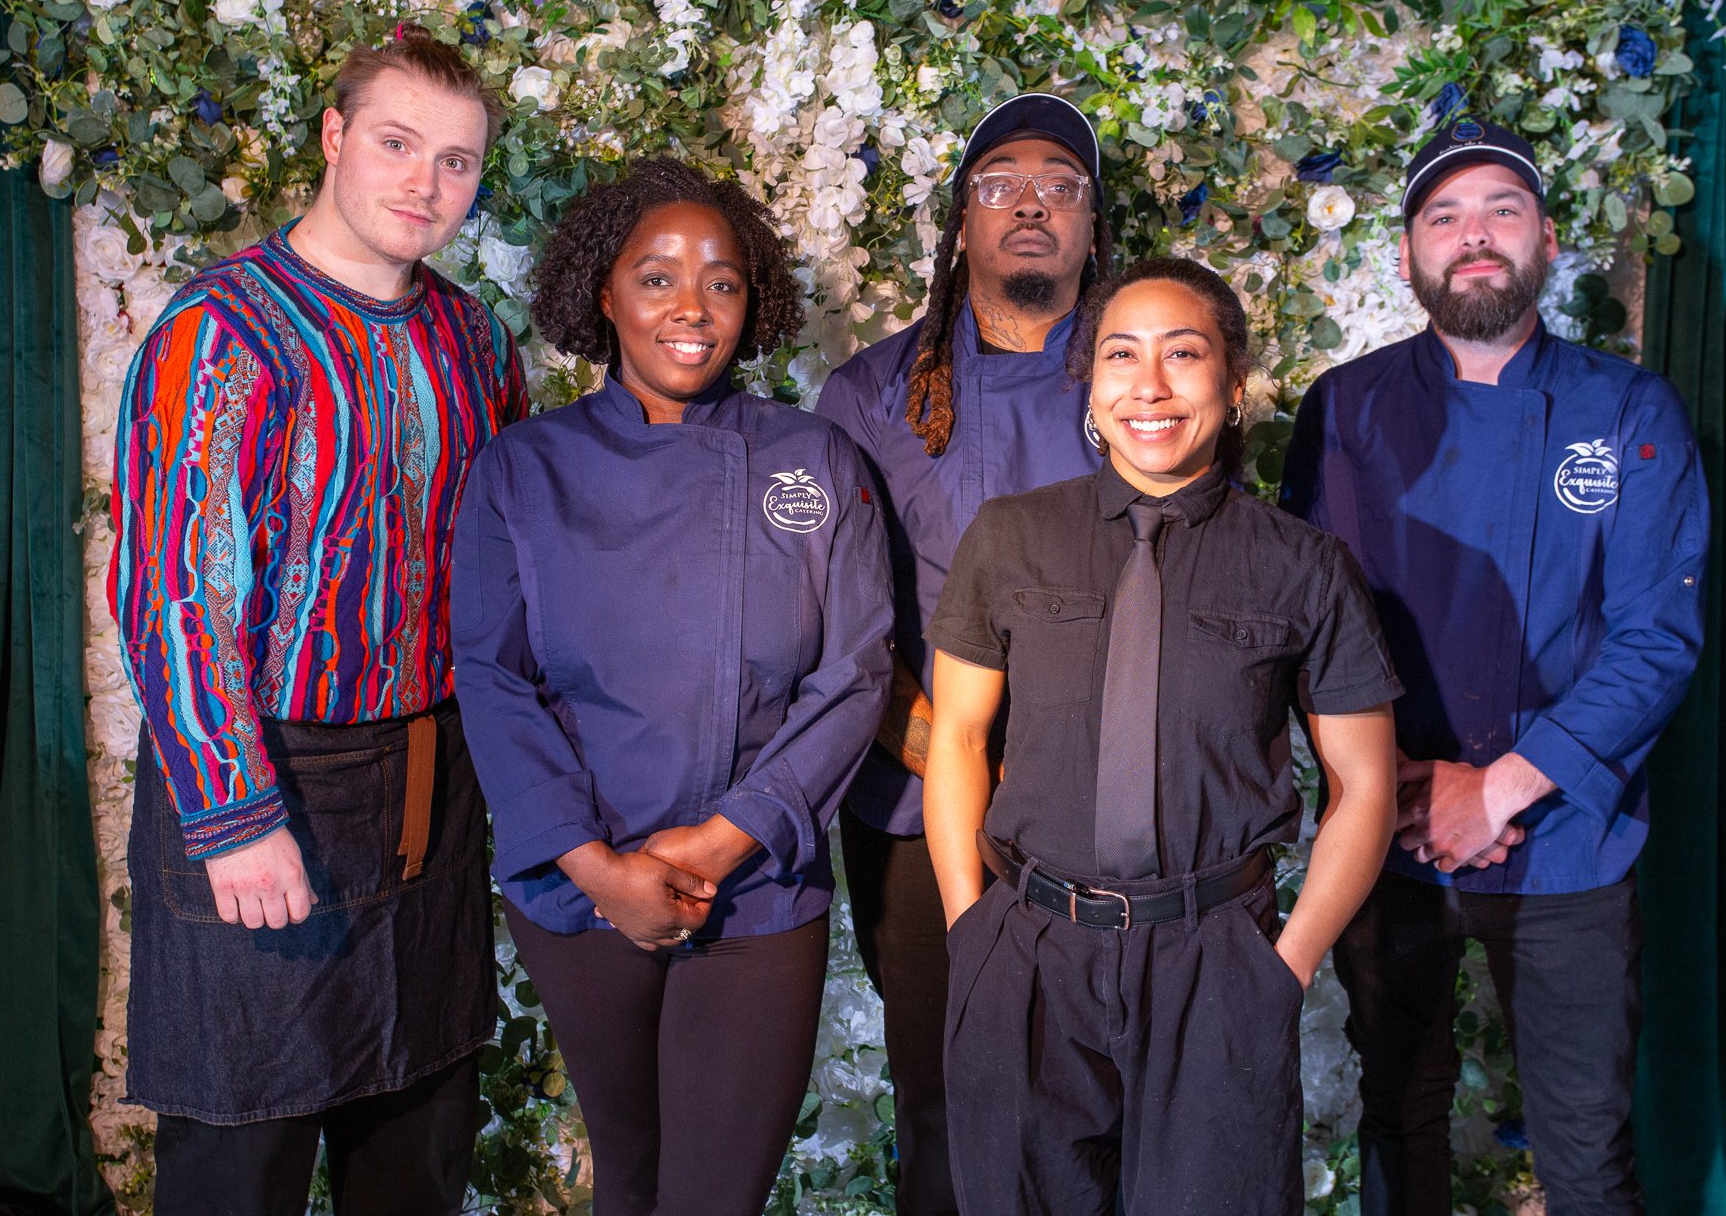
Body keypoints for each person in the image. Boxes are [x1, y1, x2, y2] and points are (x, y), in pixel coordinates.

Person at [111, 24, 528, 1211]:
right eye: (398, 144)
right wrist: (234, 813)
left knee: (417, 1132)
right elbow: (173, 588)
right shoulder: (222, 329)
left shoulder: (473, 337)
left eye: (455, 161)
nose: (424, 183)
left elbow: (503, 562)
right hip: (265, 778)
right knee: (242, 1147)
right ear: (337, 137)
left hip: (426, 787)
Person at [1280, 118, 1710, 1215]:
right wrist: (1401, 788)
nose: (1473, 238)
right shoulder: (1344, 408)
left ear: (1546, 240)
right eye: (1443, 216)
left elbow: (1655, 635)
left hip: (1567, 838)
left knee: (1582, 1150)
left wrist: (1503, 785)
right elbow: (1302, 618)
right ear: (1405, 256)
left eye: (1499, 211)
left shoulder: (1627, 411)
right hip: (1390, 831)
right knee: (1397, 1117)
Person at [448, 157, 894, 1216]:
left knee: (713, 1198)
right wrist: (597, 867)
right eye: (656, 277)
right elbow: (492, 677)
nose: (692, 308)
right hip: (578, 887)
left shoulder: (815, 459)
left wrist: (724, 837)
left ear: (753, 301)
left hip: (755, 882)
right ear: (603, 293)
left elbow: (856, 670)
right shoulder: (524, 466)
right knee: (631, 1178)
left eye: (722, 281)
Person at [925, 257, 1404, 1213]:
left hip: (1214, 960)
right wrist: (971, 929)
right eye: (1121, 356)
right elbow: (960, 741)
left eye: (1183, 355)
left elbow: (1367, 787)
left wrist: (1285, 965)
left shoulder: (1305, 566)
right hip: (1028, 952)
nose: (1150, 385)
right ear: (1091, 386)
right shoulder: (1010, 536)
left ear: (1232, 387)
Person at [813, 92, 1113, 1213]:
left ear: (1091, 222)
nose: (1028, 203)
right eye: (998, 183)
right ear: (959, 221)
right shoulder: (869, 394)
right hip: (910, 809)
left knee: (1092, 1094)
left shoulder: (1137, 379)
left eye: (1058, 185)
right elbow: (837, 618)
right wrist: (948, 756)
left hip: (1105, 815)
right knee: (942, 1096)